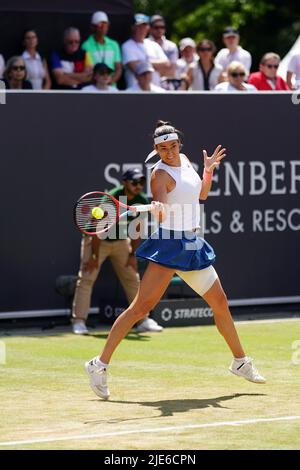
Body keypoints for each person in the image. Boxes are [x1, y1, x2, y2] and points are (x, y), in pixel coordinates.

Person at [85, 120, 266, 399]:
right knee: (140, 309)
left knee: (220, 302)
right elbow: (161, 208)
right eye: (163, 148)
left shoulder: (184, 160)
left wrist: (207, 171)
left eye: (173, 146)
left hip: (193, 243)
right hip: (170, 244)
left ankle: (240, 361)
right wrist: (158, 207)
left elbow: (201, 195)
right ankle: (98, 365)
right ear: (155, 149)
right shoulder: (159, 174)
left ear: (179, 144)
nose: (169, 152)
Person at [72, 168, 163, 335]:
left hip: (121, 241)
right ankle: (79, 321)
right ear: (125, 182)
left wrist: (131, 255)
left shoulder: (141, 200)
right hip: (96, 239)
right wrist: (94, 257)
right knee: (87, 277)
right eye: (134, 182)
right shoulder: (110, 200)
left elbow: (136, 231)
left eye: (141, 182)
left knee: (132, 278)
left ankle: (143, 320)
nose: (138, 186)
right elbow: (98, 232)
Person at [122, 13, 171, 88]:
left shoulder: (154, 45)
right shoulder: (126, 46)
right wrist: (156, 65)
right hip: (135, 92)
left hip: (156, 90)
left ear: (148, 28)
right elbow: (134, 67)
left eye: (144, 26)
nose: (141, 29)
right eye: (139, 26)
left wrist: (143, 62)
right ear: (133, 27)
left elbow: (166, 64)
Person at [81, 11, 122, 87]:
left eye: (105, 24)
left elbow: (118, 68)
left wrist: (110, 82)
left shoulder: (114, 44)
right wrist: (101, 84)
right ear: (93, 27)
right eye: (100, 24)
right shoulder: (86, 45)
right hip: (94, 88)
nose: (103, 27)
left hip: (111, 88)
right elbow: (89, 70)